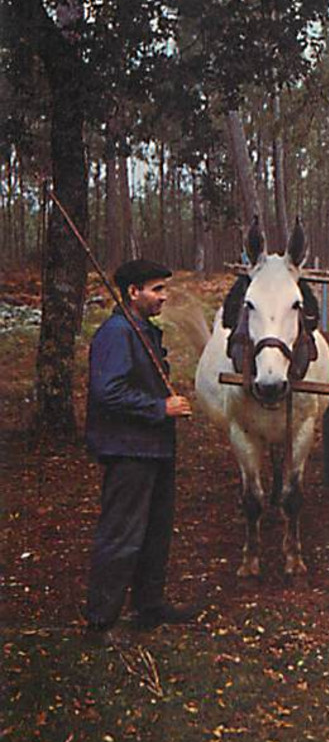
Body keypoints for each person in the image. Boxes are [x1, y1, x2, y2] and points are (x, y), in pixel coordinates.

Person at [84, 258, 195, 641]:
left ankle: (149, 607)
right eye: (157, 289)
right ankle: (102, 621)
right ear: (134, 292)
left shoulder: (143, 330)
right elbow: (107, 391)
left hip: (155, 447)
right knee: (121, 533)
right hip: (130, 449)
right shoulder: (117, 333)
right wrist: (159, 407)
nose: (164, 297)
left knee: (155, 532)